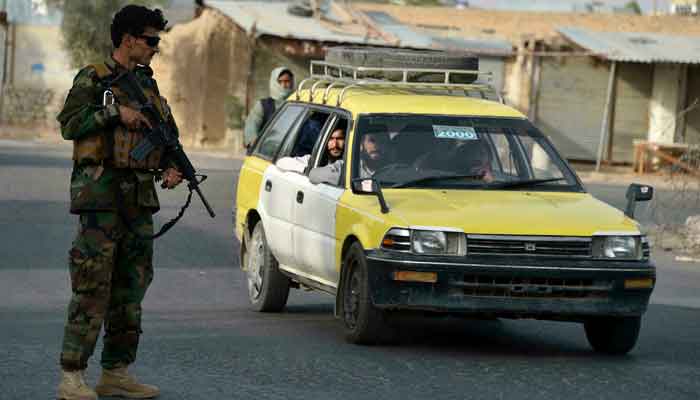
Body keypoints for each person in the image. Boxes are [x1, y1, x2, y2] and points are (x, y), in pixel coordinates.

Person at [55, 5, 182, 400]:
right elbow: (69, 123)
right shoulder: (94, 78)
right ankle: (72, 376)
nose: (155, 48)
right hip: (101, 199)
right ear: (128, 39)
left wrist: (171, 167)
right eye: (150, 40)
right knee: (92, 285)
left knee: (131, 289)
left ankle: (116, 372)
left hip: (139, 202)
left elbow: (165, 138)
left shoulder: (148, 86)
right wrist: (114, 112)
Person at [243, 67, 295, 149]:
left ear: (292, 82)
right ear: (274, 82)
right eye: (280, 82)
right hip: (266, 150)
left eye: (287, 81)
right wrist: (255, 143)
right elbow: (252, 125)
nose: (284, 85)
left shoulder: (297, 104)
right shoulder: (263, 106)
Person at [276, 125, 346, 179]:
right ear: (325, 141)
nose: (335, 144)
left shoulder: (348, 167)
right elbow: (281, 162)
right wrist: (307, 171)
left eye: (340, 139)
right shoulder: (313, 160)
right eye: (331, 139)